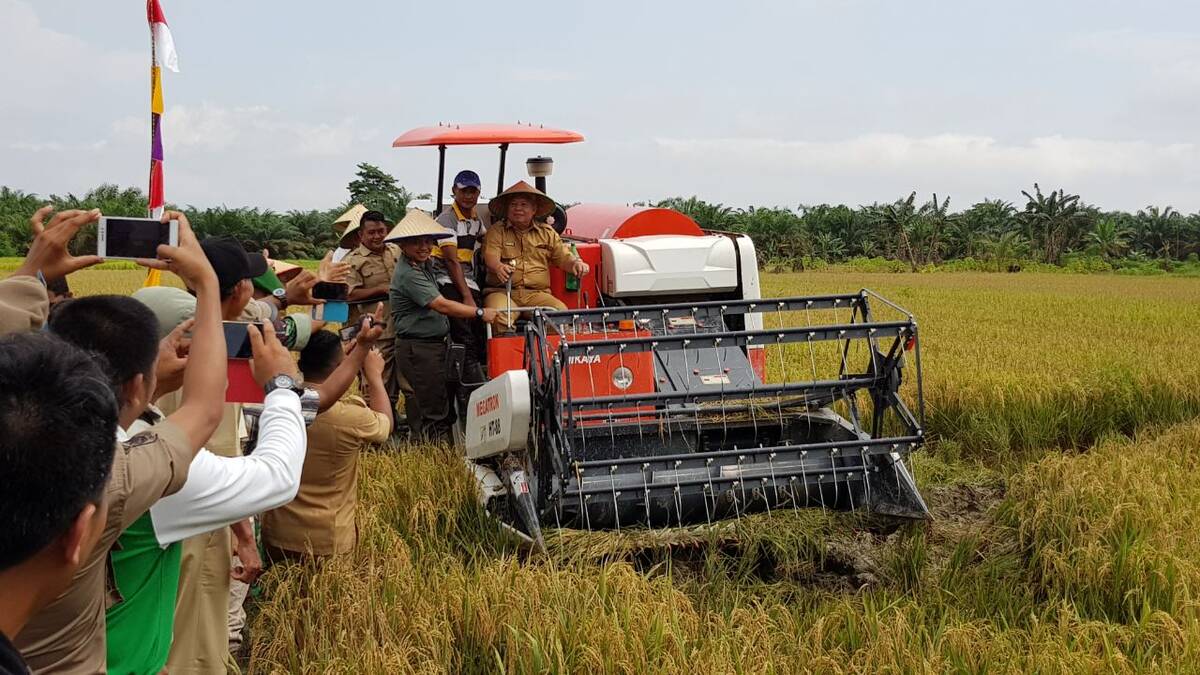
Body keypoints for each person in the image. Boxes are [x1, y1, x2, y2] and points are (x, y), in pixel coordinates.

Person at [13, 209, 229, 674]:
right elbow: (206, 409)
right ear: (79, 533)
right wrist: (207, 285)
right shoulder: (110, 476)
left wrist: (31, 271)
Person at [47, 295, 308, 675]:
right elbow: (277, 475)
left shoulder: (38, 440)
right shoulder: (149, 474)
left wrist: (147, 392)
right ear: (137, 382)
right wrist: (281, 387)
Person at [261, 329, 392, 561]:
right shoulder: (350, 416)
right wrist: (373, 376)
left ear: (300, 362)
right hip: (329, 539)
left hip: (277, 534)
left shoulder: (276, 407)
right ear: (340, 369)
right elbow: (385, 425)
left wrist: (344, 361)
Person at [388, 209, 498, 442]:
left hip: (432, 345)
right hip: (419, 348)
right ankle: (432, 450)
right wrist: (479, 312)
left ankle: (436, 447)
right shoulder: (409, 274)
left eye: (428, 241)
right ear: (402, 245)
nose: (424, 247)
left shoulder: (424, 265)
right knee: (432, 408)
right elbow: (441, 305)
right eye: (416, 242)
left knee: (438, 399)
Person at [482, 181, 589, 333]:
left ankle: (548, 349)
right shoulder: (496, 231)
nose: (518, 208)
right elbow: (490, 257)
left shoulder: (547, 233)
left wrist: (576, 264)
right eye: (513, 204)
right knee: (500, 317)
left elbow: (564, 257)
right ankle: (510, 348)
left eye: (523, 204)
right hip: (502, 292)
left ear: (534, 209)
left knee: (559, 316)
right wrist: (498, 267)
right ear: (507, 209)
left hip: (537, 294)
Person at [433, 170, 491, 381]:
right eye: (464, 191)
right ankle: (468, 383)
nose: (468, 196)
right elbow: (451, 261)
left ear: (478, 193)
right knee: (464, 334)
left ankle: (483, 373)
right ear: (454, 191)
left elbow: (486, 239)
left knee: (480, 331)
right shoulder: (446, 220)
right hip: (446, 279)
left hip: (468, 279)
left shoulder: (475, 219)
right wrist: (467, 297)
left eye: (472, 191)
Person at [345, 210, 402, 415]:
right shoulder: (352, 261)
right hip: (374, 333)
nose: (377, 236)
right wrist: (379, 290)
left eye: (381, 231)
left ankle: (392, 420)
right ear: (361, 235)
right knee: (375, 381)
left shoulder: (396, 251)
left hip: (400, 326)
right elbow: (348, 295)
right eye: (372, 233)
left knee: (399, 381)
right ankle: (374, 426)